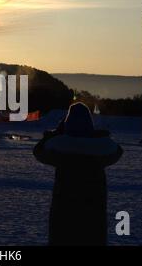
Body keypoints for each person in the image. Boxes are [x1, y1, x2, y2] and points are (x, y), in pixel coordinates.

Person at [33, 103, 123, 246]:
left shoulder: (62, 150)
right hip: (93, 218)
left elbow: (39, 151)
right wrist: (98, 135)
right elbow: (117, 151)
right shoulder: (100, 150)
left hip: (64, 218)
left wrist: (56, 133)